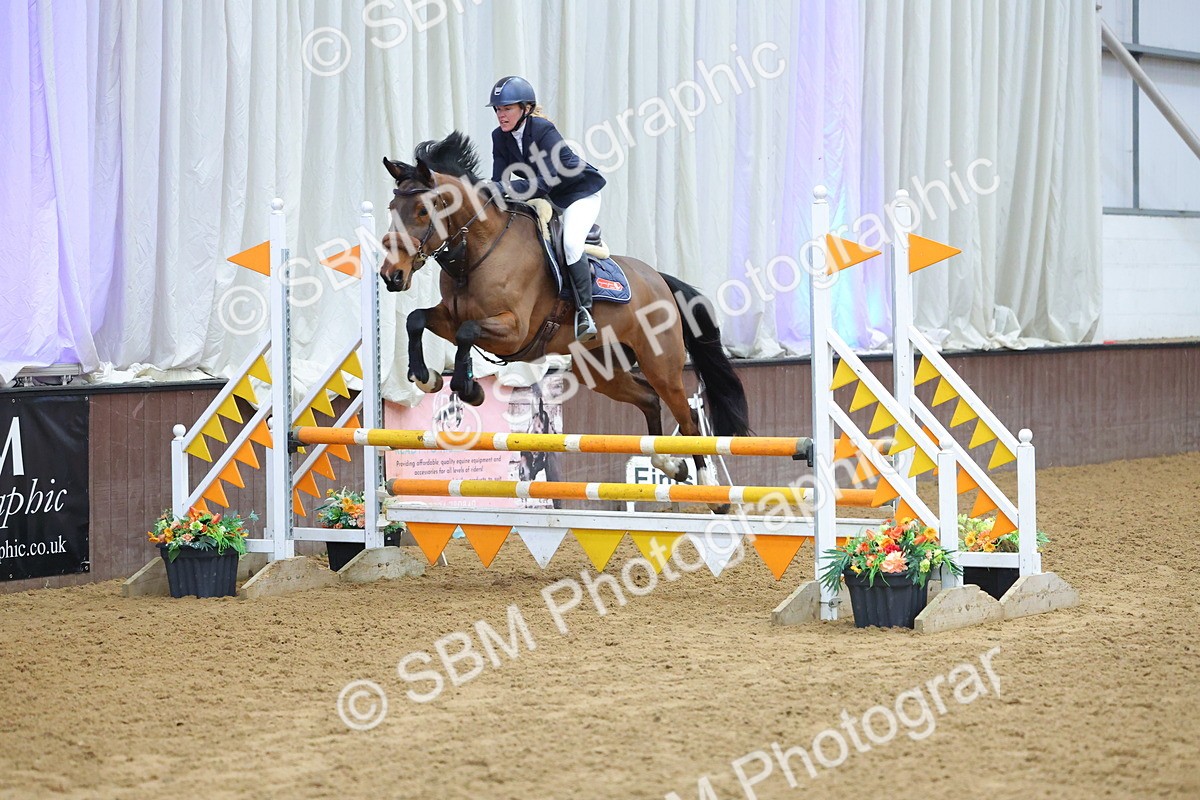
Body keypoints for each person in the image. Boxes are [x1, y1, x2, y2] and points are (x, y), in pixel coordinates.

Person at [487, 75, 605, 342]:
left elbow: (546, 183)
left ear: (525, 108)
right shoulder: (500, 137)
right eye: (497, 109)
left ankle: (585, 312)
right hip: (547, 198)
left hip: (578, 195)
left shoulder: (543, 130)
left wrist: (503, 189)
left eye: (507, 109)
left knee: (571, 243)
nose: (500, 115)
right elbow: (499, 181)